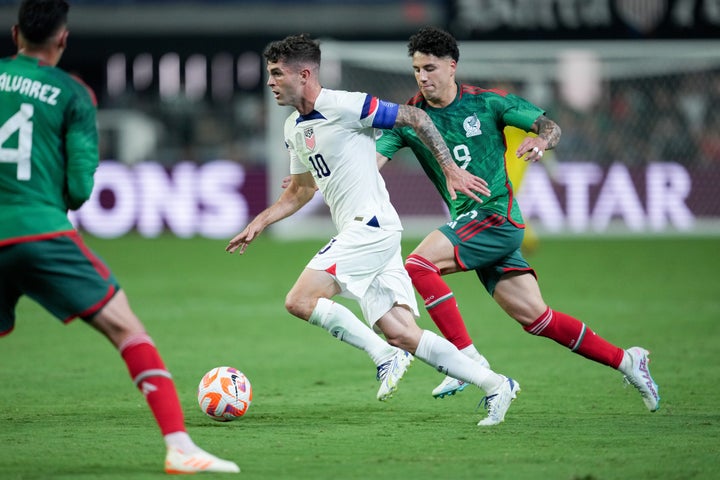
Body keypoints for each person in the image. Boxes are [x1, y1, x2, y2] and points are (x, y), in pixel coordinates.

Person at [226, 33, 520, 426]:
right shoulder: (294, 127)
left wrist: (450, 168)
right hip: (371, 231)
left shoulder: (346, 105)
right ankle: (496, 384)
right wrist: (258, 223)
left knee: (299, 300)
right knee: (402, 332)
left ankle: (384, 356)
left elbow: (414, 117)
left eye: (277, 74)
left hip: (371, 227)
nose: (270, 82)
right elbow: (300, 191)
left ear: (305, 74)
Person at [0, 1, 239, 474]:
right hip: (41, 231)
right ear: (63, 39)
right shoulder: (71, 93)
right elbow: (80, 188)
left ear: (14, 34)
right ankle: (179, 447)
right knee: (127, 329)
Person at [375, 26, 660, 412]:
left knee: (419, 264)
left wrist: (542, 141)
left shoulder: (488, 104)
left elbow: (549, 126)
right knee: (537, 318)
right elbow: (372, 164)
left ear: (452, 66)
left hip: (496, 217)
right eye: (416, 70)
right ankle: (628, 361)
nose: (423, 77)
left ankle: (466, 360)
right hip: (471, 224)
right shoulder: (411, 117)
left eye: (430, 68)